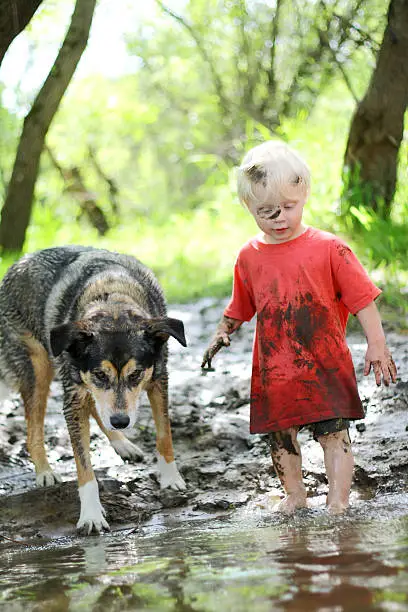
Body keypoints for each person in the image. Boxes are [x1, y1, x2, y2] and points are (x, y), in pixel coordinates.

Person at [201, 140, 397, 515]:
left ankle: (338, 501)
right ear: (248, 207)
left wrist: (377, 344)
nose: (278, 218)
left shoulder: (330, 248)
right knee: (280, 438)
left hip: (324, 362)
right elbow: (240, 306)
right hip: (275, 371)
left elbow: (363, 300)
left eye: (288, 207)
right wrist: (222, 332)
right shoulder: (248, 256)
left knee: (334, 434)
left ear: (303, 193)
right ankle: (295, 496)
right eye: (265, 211)